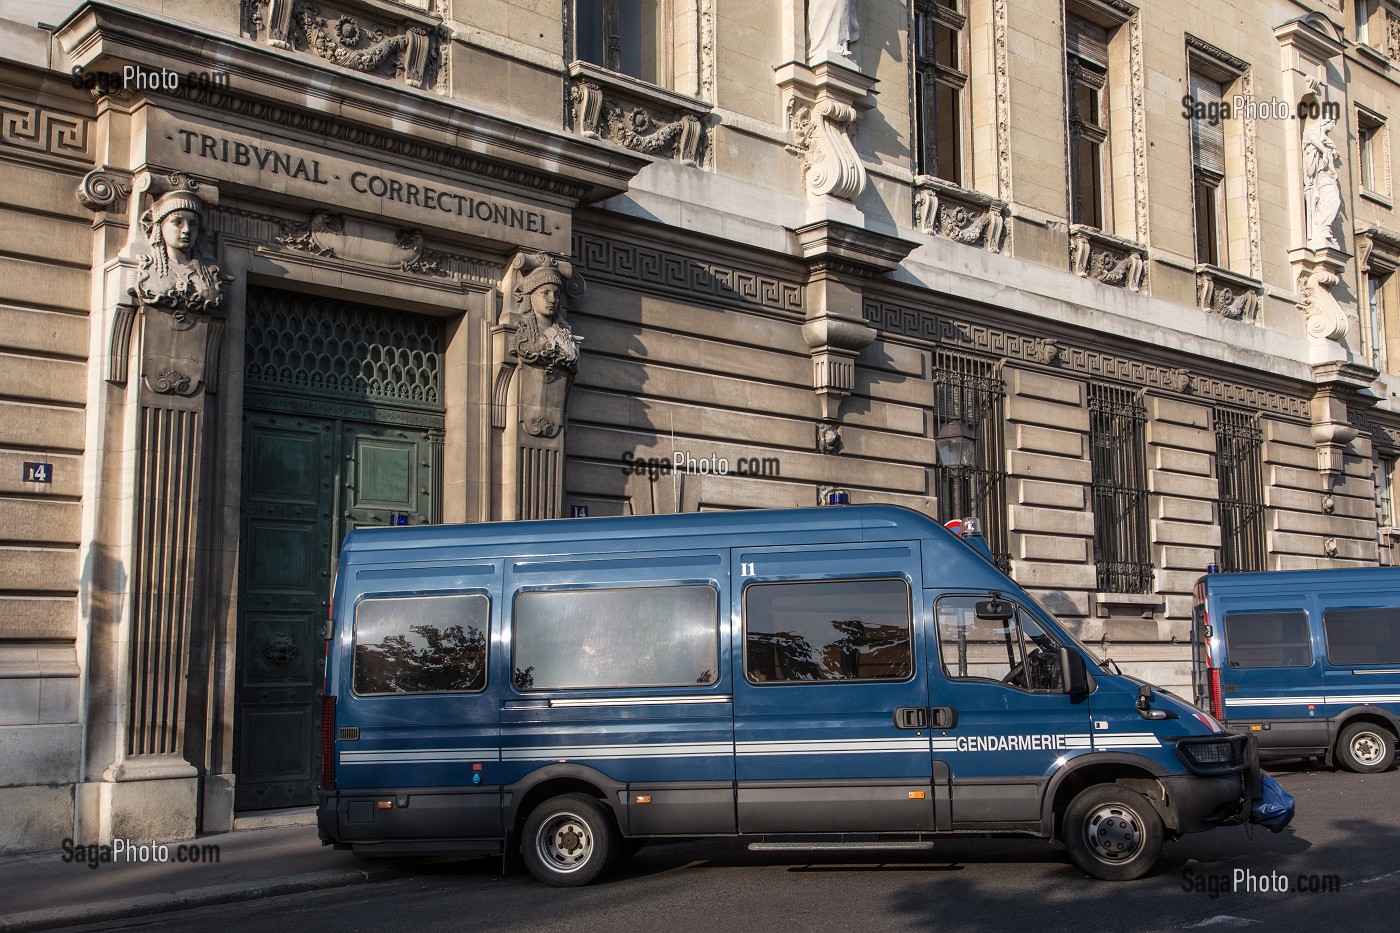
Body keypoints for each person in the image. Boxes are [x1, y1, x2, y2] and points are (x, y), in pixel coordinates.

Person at [1303, 114, 1342, 249]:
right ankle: (1322, 228)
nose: (1334, 125)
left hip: (1330, 175)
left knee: (1333, 201)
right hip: (1321, 175)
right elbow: (1312, 139)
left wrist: (1332, 153)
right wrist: (1324, 150)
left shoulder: (1328, 139)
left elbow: (1333, 156)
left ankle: (1325, 228)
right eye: (1333, 122)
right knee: (1332, 201)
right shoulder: (1313, 130)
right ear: (1327, 120)